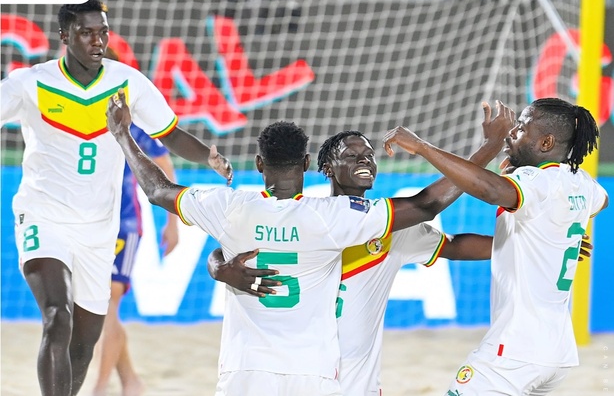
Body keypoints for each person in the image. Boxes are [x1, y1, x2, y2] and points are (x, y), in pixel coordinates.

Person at [107, 90, 511, 395]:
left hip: (250, 369)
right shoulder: (331, 220)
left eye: (368, 154)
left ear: (259, 165)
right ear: (312, 165)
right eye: (351, 155)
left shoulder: (230, 208)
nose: (364, 160)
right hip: (313, 372)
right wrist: (485, 148)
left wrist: (123, 135)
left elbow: (159, 190)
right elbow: (427, 203)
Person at [0, 0, 231, 396]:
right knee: (58, 316)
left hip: (99, 228)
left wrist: (207, 156)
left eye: (102, 32)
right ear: (64, 35)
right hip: (42, 216)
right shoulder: (29, 82)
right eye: (87, 32)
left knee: (85, 343)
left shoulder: (128, 81)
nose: (97, 40)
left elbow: (170, 135)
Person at [383, 97, 609, 395]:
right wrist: (556, 233)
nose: (511, 133)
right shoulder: (581, 181)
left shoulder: (536, 181)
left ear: (546, 142)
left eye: (522, 128)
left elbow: (489, 190)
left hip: (517, 349)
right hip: (558, 353)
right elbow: (602, 202)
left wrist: (422, 147)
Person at [92, 124, 178, 396]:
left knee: (108, 304)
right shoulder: (78, 111)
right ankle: (130, 380)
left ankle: (100, 388)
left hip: (124, 223)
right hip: (87, 223)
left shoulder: (133, 127)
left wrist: (172, 222)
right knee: (101, 308)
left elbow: (165, 166)